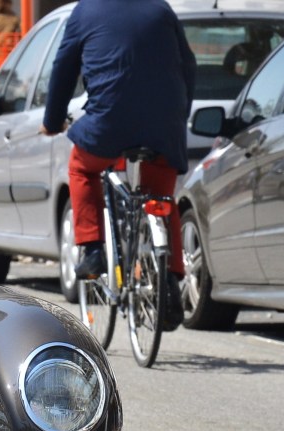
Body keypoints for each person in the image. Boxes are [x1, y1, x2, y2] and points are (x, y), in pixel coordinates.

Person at [39, 0, 194, 332]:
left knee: (82, 168)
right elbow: (189, 65)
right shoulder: (161, 9)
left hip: (109, 125)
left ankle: (93, 248)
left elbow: (63, 68)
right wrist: (180, 115)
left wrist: (52, 121)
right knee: (162, 201)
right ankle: (171, 279)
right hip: (165, 128)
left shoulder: (85, 11)